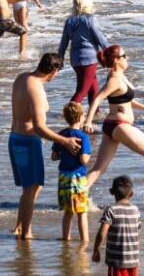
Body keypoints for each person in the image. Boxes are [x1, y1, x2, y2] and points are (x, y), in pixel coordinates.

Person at [83, 45, 144, 205]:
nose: (127, 58)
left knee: (99, 169)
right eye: (124, 56)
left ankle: (75, 193)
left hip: (112, 126)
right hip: (119, 125)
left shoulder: (120, 76)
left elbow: (125, 98)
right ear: (117, 60)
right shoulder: (114, 79)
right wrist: (88, 122)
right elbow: (97, 98)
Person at [9, 53, 82, 240]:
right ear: (54, 70)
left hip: (15, 138)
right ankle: (27, 233)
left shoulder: (22, 77)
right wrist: (64, 141)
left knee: (32, 187)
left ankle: (19, 226)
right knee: (31, 188)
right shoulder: (37, 90)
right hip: (27, 142)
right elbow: (39, 127)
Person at [58, 0, 110, 107]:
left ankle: (95, 114)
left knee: (93, 87)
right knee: (82, 91)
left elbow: (63, 43)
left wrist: (60, 58)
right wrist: (112, 53)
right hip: (89, 59)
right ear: (87, 4)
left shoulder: (69, 21)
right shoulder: (90, 19)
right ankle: (69, 115)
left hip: (75, 60)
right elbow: (100, 38)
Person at [51, 101, 92, 243]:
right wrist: (89, 155)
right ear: (80, 117)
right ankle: (85, 240)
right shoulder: (83, 137)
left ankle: (65, 238)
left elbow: (54, 157)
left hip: (63, 177)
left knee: (68, 211)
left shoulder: (61, 135)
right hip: (78, 177)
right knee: (82, 212)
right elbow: (84, 160)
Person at [92, 175, 141, 276]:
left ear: (111, 192)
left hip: (117, 261)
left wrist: (96, 250)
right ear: (132, 193)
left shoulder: (111, 209)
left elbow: (102, 233)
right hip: (133, 260)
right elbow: (137, 232)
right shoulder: (136, 210)